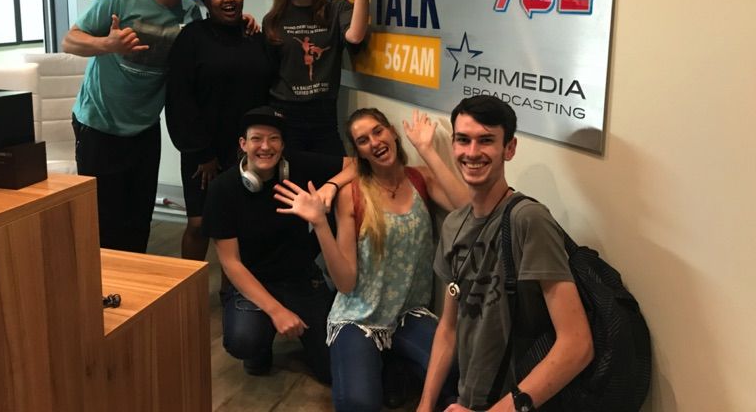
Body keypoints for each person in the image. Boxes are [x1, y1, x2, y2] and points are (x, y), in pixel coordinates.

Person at [275, 108, 470, 411]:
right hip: (359, 316)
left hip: (408, 312)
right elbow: (345, 282)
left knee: (458, 369)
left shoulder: (420, 178)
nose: (375, 142)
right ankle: (387, 366)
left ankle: (394, 364)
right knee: (359, 403)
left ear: (392, 131)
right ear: (359, 152)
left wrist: (427, 149)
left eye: (378, 131)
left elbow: (471, 211)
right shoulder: (352, 193)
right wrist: (321, 224)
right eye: (363, 140)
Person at [416, 96, 593, 412]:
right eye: (463, 140)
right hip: (468, 398)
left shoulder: (529, 220)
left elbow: (577, 345)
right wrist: (425, 404)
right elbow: (449, 328)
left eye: (486, 140)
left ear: (509, 148)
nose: (472, 152)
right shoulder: (454, 225)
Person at [64, 0, 202, 253]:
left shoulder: (191, 12)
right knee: (103, 223)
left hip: (144, 129)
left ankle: (133, 283)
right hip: (99, 125)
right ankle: (101, 283)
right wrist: (107, 44)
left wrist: (244, 22)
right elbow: (69, 40)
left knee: (139, 221)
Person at [201, 106, 354, 382]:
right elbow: (231, 263)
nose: (265, 146)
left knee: (333, 370)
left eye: (273, 139)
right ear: (243, 144)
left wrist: (329, 186)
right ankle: (261, 339)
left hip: (301, 279)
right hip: (253, 281)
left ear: (283, 146)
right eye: (256, 139)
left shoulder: (298, 166)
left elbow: (356, 165)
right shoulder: (222, 189)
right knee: (244, 340)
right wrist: (277, 311)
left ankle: (297, 328)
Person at [166, 0, 273, 260]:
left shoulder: (254, 37)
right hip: (203, 152)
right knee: (199, 225)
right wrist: (202, 153)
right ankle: (189, 285)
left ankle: (233, 287)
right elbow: (179, 99)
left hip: (247, 150)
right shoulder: (191, 38)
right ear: (206, 1)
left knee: (239, 225)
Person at [263, 0, 398, 156]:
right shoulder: (273, 21)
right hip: (285, 118)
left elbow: (355, 36)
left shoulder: (336, 9)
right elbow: (268, 72)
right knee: (291, 176)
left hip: (324, 118)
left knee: (338, 173)